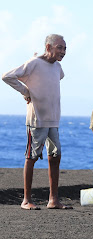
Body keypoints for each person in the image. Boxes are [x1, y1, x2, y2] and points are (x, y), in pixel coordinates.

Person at [2, 34, 71, 210]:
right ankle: (26, 200)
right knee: (32, 157)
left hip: (53, 119)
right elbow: (7, 76)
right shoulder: (33, 63)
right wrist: (27, 92)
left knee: (55, 156)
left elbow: (54, 79)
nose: (63, 51)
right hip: (37, 119)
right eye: (60, 47)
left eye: (64, 48)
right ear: (48, 47)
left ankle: (53, 200)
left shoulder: (58, 67)